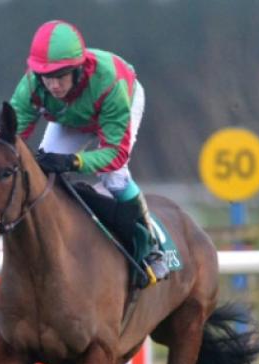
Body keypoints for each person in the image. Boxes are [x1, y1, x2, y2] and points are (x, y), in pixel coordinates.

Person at [9, 19, 169, 285]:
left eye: (60, 76)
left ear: (78, 69)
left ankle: (151, 245)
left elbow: (114, 155)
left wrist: (73, 161)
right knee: (42, 170)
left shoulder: (110, 84)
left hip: (117, 104)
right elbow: (10, 135)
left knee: (114, 177)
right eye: (47, 77)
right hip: (74, 115)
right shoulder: (31, 86)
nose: (54, 86)